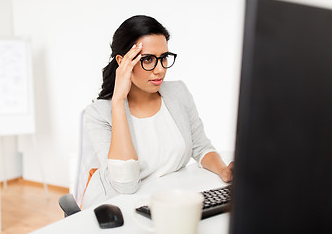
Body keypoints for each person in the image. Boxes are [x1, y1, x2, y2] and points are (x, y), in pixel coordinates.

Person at [81, 15, 233, 209]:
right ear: (122, 61)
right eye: (148, 59)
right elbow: (125, 185)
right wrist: (118, 102)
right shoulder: (98, 114)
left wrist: (223, 170)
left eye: (164, 58)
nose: (160, 69)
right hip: (116, 209)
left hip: (165, 202)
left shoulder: (178, 93)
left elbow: (201, 148)